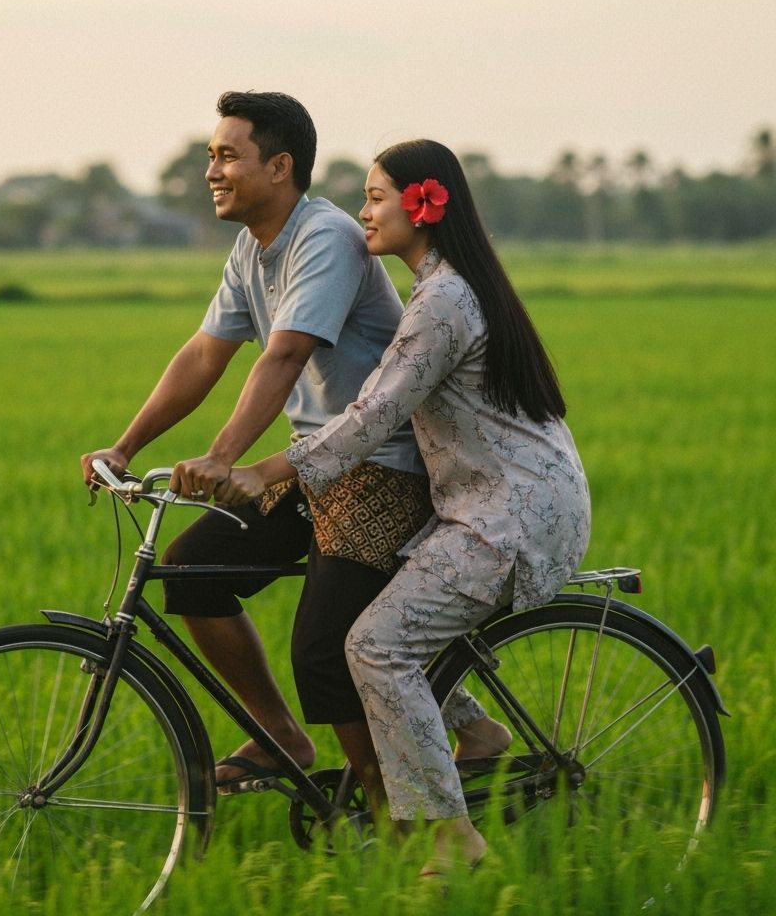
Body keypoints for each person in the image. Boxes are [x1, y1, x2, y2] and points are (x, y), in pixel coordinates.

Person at [215, 138, 592, 873]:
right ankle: (477, 736)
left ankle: (451, 836)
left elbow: (373, 413)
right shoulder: (445, 288)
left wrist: (270, 471)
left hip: (507, 519)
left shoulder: (445, 300)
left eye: (377, 197)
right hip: (492, 505)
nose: (362, 213)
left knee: (375, 646)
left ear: (425, 205)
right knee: (382, 621)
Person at [81, 91, 434, 793]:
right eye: (211, 155)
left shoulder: (325, 238)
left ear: (280, 167)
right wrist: (123, 447)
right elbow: (204, 356)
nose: (212, 170)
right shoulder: (251, 249)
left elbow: (285, 353)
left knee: (323, 648)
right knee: (189, 573)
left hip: (381, 469)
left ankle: (391, 814)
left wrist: (219, 457)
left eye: (227, 156)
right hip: (313, 468)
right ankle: (278, 736)